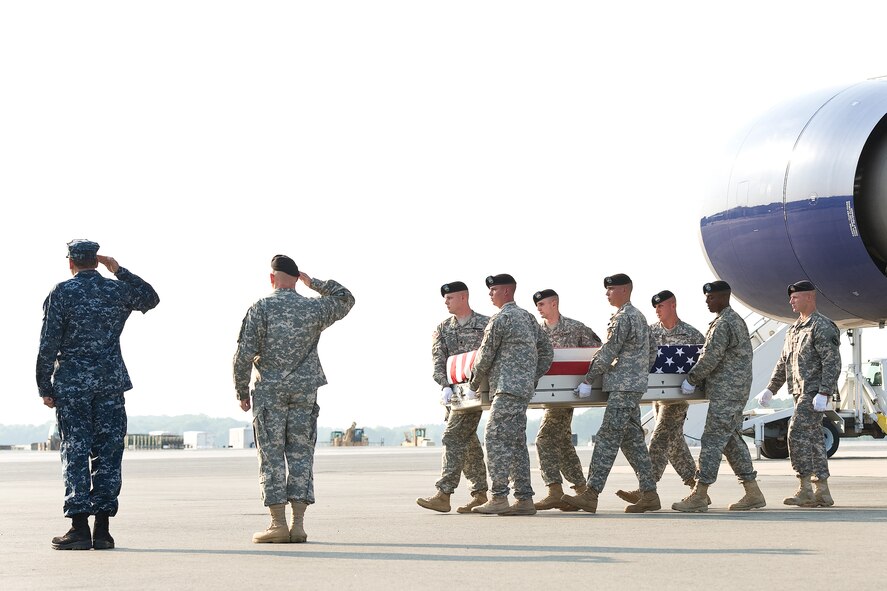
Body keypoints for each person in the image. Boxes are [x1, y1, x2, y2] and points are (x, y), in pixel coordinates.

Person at [37, 239, 159, 550]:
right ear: (96, 260)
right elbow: (151, 298)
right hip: (109, 382)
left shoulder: (62, 292)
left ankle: (79, 528)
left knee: (76, 450)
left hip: (73, 384)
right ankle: (102, 530)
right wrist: (117, 269)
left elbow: (48, 343)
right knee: (108, 453)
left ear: (70, 263)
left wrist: (44, 386)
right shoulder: (117, 290)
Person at [233, 255, 354, 543]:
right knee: (301, 454)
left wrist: (240, 390)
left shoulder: (261, 308)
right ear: (296, 277)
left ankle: (277, 524)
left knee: (272, 456)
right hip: (304, 391)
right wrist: (315, 283)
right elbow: (345, 298)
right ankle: (298, 524)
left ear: (271, 277)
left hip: (270, 392)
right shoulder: (313, 307)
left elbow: (243, 355)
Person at [561, 274, 661, 514]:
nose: (607, 294)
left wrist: (588, 378)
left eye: (611, 290)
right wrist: (637, 373)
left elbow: (609, 351)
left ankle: (591, 494)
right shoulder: (640, 317)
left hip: (623, 388)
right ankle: (649, 494)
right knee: (632, 440)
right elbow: (653, 351)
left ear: (624, 290)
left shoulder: (624, 317)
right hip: (632, 385)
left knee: (607, 437)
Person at [672, 280, 766, 512]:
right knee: (731, 441)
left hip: (728, 392)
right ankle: (753, 492)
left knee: (712, 439)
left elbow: (711, 357)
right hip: (731, 391)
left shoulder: (725, 323)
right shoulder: (729, 321)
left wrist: (691, 380)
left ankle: (700, 494)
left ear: (724, 297)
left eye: (711, 298)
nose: (707, 301)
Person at [468, 274, 553, 516]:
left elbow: (485, 355)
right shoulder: (528, 318)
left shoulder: (502, 318)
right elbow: (547, 351)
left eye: (493, 290)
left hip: (506, 388)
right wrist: (531, 376)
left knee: (494, 437)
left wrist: (473, 383)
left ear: (506, 292)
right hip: (522, 389)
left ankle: (498, 496)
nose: (490, 294)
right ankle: (524, 499)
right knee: (515, 443)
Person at [756, 280, 841, 507]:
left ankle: (805, 488)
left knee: (796, 432)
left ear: (810, 297)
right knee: (813, 440)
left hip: (813, 393)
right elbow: (784, 362)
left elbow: (832, 362)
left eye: (795, 297)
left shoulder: (821, 326)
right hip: (798, 392)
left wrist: (824, 392)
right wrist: (770, 389)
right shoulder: (794, 328)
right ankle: (821, 491)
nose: (791, 301)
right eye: (791, 297)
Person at [616, 290, 705, 504]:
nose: (657, 310)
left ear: (672, 305)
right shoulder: (650, 332)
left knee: (659, 437)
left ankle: (646, 488)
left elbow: (704, 358)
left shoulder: (691, 334)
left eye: (661, 306)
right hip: (656, 396)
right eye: (655, 307)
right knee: (673, 442)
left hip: (677, 396)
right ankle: (698, 487)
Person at [417, 281, 490, 513]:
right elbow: (438, 360)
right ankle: (479, 493)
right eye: (445, 298)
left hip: (479, 390)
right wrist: (444, 386)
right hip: (455, 396)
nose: (445, 302)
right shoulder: (442, 329)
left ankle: (444, 493)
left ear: (463, 297)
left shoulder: (486, 325)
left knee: (453, 436)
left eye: (449, 298)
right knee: (468, 441)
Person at [531, 288, 602, 511]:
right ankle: (581, 489)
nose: (538, 309)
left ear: (554, 304)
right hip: (546, 395)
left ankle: (554, 490)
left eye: (542, 304)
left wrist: (589, 382)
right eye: (537, 305)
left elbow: (598, 352)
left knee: (544, 439)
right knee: (561, 441)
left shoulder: (575, 328)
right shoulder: (535, 333)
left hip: (566, 395)